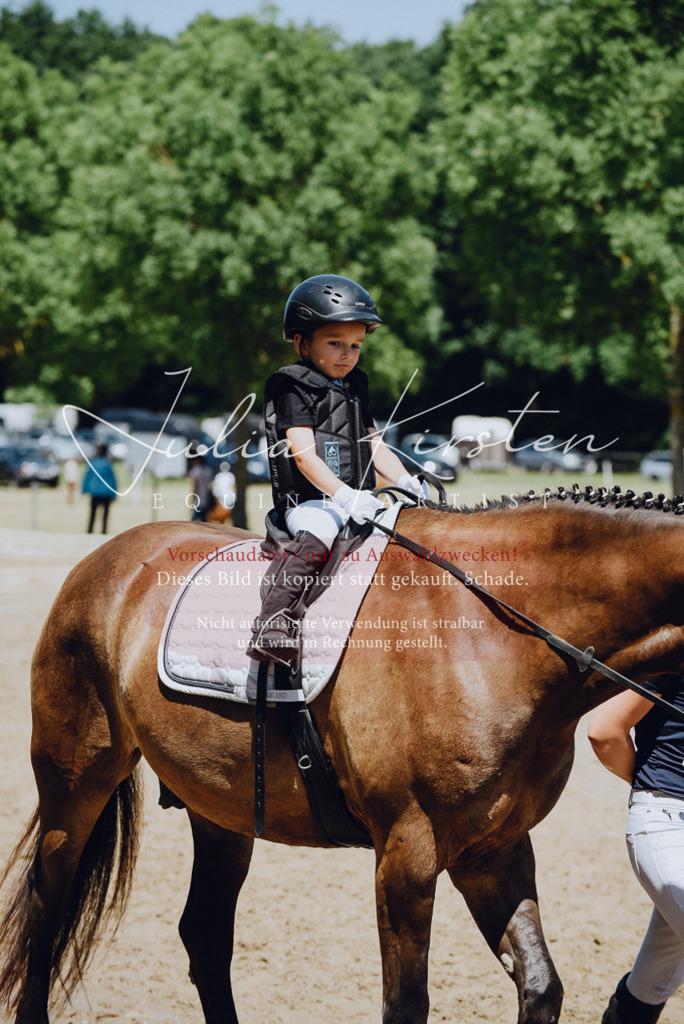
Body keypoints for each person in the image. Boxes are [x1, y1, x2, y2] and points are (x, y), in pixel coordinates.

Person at [247, 273, 428, 664]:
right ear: (302, 343)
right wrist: (344, 496)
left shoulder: (356, 385)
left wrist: (406, 481)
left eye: (356, 345)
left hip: (359, 497)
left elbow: (373, 445)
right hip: (310, 502)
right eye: (335, 343)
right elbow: (304, 456)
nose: (347, 354)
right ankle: (273, 621)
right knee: (322, 531)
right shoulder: (292, 386)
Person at [588, 675, 684, 1024]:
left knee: (653, 983)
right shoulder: (674, 650)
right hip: (670, 824)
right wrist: (650, 785)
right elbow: (605, 730)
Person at [82, 445, 117, 534]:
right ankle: (104, 531)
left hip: (95, 492)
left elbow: (87, 477)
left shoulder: (93, 463)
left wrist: (84, 489)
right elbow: (112, 480)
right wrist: (114, 494)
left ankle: (90, 530)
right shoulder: (108, 464)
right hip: (106, 493)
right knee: (105, 515)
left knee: (92, 514)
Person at [187, 454, 213, 522]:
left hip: (198, 497)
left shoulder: (196, 470)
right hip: (206, 497)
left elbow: (196, 484)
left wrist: (193, 496)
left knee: (194, 519)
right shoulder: (207, 470)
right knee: (204, 519)